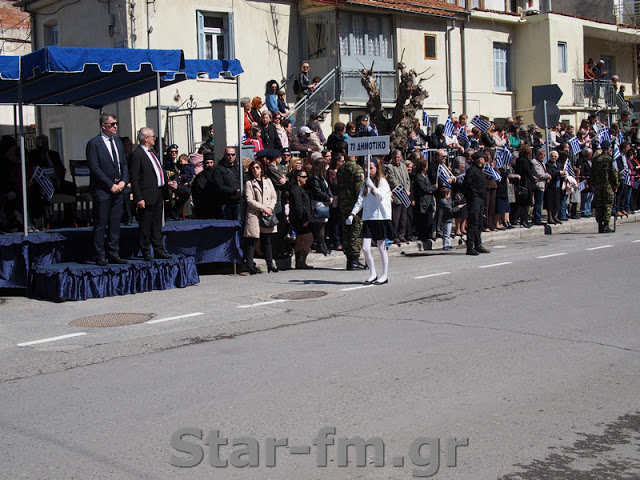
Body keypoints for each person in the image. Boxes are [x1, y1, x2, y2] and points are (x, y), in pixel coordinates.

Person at [86, 112, 129, 266]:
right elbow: (94, 167)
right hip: (103, 190)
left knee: (115, 222)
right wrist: (110, 185)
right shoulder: (94, 143)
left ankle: (114, 253)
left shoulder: (117, 142)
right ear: (103, 126)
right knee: (101, 222)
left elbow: (123, 163)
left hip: (119, 188)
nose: (115, 126)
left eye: (116, 123)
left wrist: (123, 181)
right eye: (112, 124)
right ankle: (99, 255)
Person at [346, 157, 395, 285]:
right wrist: (352, 214)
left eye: (371, 168)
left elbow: (380, 197)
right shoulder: (366, 183)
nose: (368, 170)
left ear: (377, 169)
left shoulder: (382, 182)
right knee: (365, 248)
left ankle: (384, 275)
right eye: (367, 168)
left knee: (381, 247)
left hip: (380, 217)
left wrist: (372, 186)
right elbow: (360, 200)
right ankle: (373, 273)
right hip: (368, 217)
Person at [128, 127, 173, 261]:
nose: (155, 138)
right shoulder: (137, 155)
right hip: (146, 195)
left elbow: (159, 171)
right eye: (153, 136)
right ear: (145, 138)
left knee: (157, 224)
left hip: (158, 192)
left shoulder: (152, 152)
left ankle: (159, 250)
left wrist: (165, 193)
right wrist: (138, 198)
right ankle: (146, 251)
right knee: (146, 225)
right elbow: (134, 178)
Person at [243, 160, 278, 274]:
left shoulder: (267, 181)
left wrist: (270, 208)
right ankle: (250, 265)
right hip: (255, 214)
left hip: (267, 213)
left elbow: (274, 196)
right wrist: (263, 208)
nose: (255, 170)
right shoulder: (249, 183)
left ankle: (270, 264)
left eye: (257, 167)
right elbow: (249, 200)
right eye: (253, 168)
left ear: (261, 169)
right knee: (252, 240)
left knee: (267, 240)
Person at [338, 155, 367, 270]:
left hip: (344, 203)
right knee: (356, 231)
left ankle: (349, 258)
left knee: (347, 231)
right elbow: (360, 190)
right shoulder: (357, 169)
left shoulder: (341, 169)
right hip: (355, 205)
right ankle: (354, 260)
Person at [463, 151, 490, 255]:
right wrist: (472, 195)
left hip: (481, 199)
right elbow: (467, 185)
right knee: (473, 223)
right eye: (482, 158)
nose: (484, 160)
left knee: (479, 222)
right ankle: (470, 246)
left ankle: (478, 244)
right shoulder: (471, 171)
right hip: (474, 199)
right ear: (479, 160)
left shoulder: (480, 171)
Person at [591, 140, 619, 233]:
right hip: (607, 185)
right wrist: (616, 184)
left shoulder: (595, 160)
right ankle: (606, 225)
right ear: (608, 148)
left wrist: (593, 184)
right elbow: (613, 173)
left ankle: (600, 225)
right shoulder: (610, 159)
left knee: (599, 205)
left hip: (598, 186)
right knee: (607, 205)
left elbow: (592, 173)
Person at [308, 157, 333, 255]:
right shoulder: (314, 178)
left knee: (323, 224)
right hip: (318, 202)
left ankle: (322, 244)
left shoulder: (322, 177)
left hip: (325, 202)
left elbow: (327, 188)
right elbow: (317, 191)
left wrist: (330, 197)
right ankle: (320, 244)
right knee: (320, 224)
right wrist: (327, 198)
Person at [289, 169, 314, 268]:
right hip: (300, 219)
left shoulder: (299, 188)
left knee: (300, 239)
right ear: (298, 178)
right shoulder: (295, 190)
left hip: (301, 218)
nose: (306, 179)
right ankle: (301, 261)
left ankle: (299, 262)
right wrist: (304, 219)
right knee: (309, 239)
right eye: (304, 177)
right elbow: (298, 206)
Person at [386, 149, 411, 242]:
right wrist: (402, 191)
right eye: (395, 157)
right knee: (396, 217)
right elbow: (393, 181)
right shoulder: (390, 167)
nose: (397, 159)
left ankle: (402, 235)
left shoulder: (404, 166)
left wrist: (407, 190)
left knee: (403, 218)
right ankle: (394, 235)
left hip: (405, 196)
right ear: (392, 157)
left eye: (398, 157)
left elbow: (407, 180)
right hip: (397, 195)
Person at [213, 147, 242, 220]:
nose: (230, 157)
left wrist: (240, 191)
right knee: (227, 225)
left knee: (239, 223)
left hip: (238, 201)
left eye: (233, 154)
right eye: (228, 155)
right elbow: (219, 186)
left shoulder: (239, 168)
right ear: (224, 155)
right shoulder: (218, 169)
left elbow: (245, 181)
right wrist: (234, 191)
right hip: (226, 201)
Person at [413, 157, 436, 247]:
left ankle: (429, 234)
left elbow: (430, 187)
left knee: (429, 219)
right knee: (422, 220)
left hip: (429, 200)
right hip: (422, 201)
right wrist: (433, 188)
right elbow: (424, 188)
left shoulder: (425, 176)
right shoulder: (418, 176)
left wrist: (432, 188)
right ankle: (422, 235)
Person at [191, 153, 217, 218]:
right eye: (207, 163)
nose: (209, 165)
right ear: (204, 164)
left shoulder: (217, 175)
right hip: (203, 207)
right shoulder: (199, 177)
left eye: (211, 163)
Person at [530, 148, 551, 225]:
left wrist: (546, 178)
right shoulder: (534, 162)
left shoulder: (542, 162)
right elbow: (539, 174)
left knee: (539, 203)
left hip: (542, 184)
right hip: (538, 185)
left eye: (544, 155)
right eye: (541, 154)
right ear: (537, 154)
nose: (542, 156)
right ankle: (536, 218)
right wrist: (548, 176)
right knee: (538, 203)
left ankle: (536, 217)